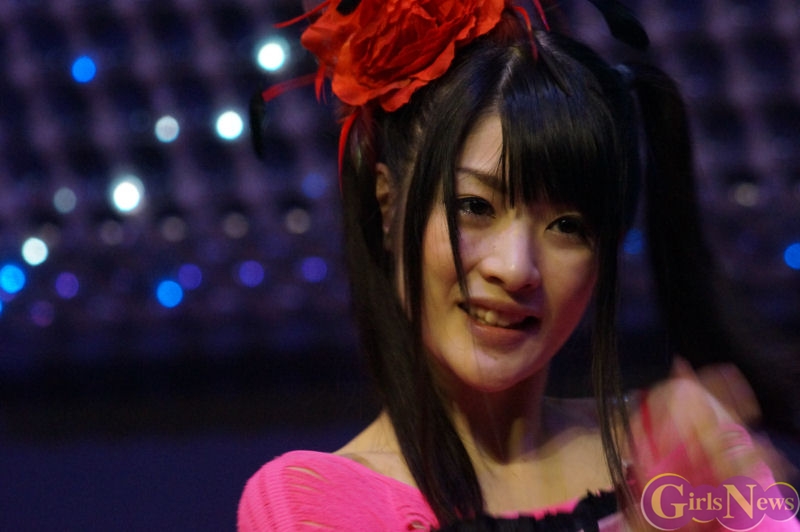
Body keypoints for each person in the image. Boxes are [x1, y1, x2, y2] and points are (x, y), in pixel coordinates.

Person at [239, 1, 800, 529]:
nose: (515, 268)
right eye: (474, 206)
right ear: (388, 204)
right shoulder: (311, 500)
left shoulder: (688, 450)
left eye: (568, 227)